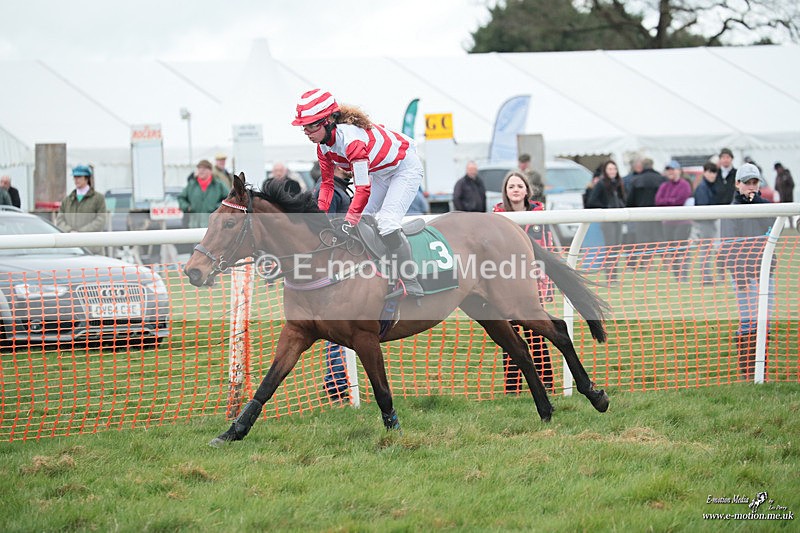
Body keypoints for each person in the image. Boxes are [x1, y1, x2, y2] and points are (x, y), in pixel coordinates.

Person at [292, 88, 424, 298]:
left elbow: (362, 188)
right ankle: (380, 275)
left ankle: (411, 280)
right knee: (362, 221)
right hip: (380, 173)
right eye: (303, 127)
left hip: (404, 169)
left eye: (311, 125)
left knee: (387, 223)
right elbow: (326, 185)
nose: (306, 131)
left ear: (328, 121)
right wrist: (319, 219)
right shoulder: (323, 147)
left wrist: (348, 220)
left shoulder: (352, 142)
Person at [492, 171, 554, 393]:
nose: (515, 189)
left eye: (519, 186)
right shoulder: (495, 217)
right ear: (506, 192)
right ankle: (512, 387)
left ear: (527, 190)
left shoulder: (540, 216)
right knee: (509, 334)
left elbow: (547, 248)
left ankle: (546, 382)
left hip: (532, 283)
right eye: (511, 186)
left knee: (538, 332)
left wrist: (546, 281)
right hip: (504, 283)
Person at [718, 163, 775, 380]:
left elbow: (771, 227)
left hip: (765, 272)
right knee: (748, 321)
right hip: (743, 274)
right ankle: (748, 371)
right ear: (737, 184)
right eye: (747, 183)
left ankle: (761, 369)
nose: (751, 187)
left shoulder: (766, 207)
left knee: (765, 321)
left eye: (754, 182)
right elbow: (730, 245)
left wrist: (758, 203)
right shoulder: (731, 211)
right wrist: (738, 274)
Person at [312, 167, 354, 402]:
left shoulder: (339, 189)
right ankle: (336, 388)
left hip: (341, 270)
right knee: (339, 333)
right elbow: (324, 235)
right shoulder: (327, 191)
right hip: (333, 274)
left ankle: (337, 386)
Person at [586, 160, 626, 283]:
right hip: (608, 220)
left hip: (618, 219)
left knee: (616, 248)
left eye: (614, 169)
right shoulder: (601, 184)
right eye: (610, 169)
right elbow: (592, 201)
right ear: (605, 171)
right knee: (610, 248)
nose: (612, 171)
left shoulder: (618, 184)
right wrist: (606, 207)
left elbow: (623, 198)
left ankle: (614, 276)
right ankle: (610, 277)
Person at [55, 165, 108, 254]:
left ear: (86, 178)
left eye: (79, 177)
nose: (76, 180)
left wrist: (81, 232)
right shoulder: (67, 200)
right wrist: (69, 231)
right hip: (71, 248)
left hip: (92, 248)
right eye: (75, 177)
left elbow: (100, 220)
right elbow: (60, 220)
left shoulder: (98, 198)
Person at [655, 160, 693, 281]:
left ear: (679, 171)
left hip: (682, 222)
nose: (671, 172)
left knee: (681, 249)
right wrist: (670, 201)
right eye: (669, 170)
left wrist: (667, 201)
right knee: (672, 250)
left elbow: (680, 200)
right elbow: (658, 201)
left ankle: (683, 275)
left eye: (673, 169)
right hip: (668, 222)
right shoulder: (664, 186)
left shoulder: (685, 185)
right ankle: (677, 276)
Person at [627, 158, 666, 269]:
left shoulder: (636, 180)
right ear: (652, 165)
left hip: (641, 215)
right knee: (659, 239)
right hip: (658, 215)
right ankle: (666, 263)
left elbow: (630, 201)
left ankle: (647, 264)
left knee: (643, 241)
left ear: (642, 166)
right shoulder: (661, 179)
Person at [693, 161, 723, 284]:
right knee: (706, 250)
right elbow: (703, 207)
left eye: (714, 172)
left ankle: (708, 276)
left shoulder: (710, 186)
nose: (712, 175)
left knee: (709, 249)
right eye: (710, 172)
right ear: (705, 172)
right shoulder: (702, 188)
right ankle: (706, 277)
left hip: (711, 221)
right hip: (706, 222)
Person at [178, 159, 229, 228]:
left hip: (214, 226)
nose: (201, 171)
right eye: (199, 168)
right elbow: (181, 198)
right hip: (194, 225)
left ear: (210, 171)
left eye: (204, 169)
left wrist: (218, 208)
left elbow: (228, 199)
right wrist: (187, 207)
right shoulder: (191, 185)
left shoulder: (218, 185)